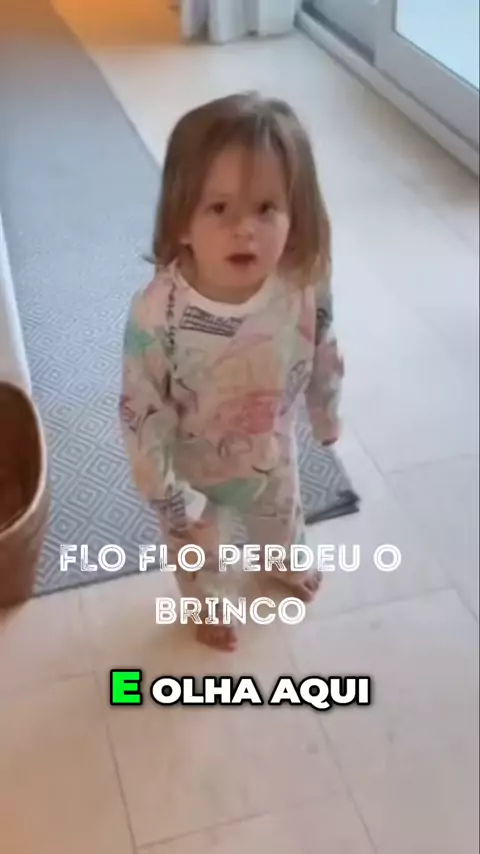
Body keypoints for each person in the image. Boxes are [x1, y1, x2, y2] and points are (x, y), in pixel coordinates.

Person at [119, 92, 344, 651]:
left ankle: (282, 560)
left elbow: (324, 347)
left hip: (271, 447)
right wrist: (176, 499)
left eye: (266, 208)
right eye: (219, 209)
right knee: (200, 551)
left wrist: (326, 412)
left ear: (295, 215)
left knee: (282, 514)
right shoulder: (158, 315)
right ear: (182, 221)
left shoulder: (302, 283)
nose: (245, 229)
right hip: (192, 469)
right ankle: (209, 603)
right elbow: (141, 414)